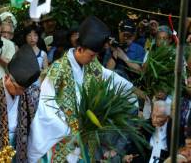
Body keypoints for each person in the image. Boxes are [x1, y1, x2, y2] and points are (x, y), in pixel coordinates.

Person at [27, 16, 138, 162]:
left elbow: (109, 77)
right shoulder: (58, 70)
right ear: (79, 49)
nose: (94, 59)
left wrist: (132, 91)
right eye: (91, 55)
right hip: (62, 136)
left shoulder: (91, 64)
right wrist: (67, 128)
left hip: (86, 137)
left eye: (96, 56)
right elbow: (46, 106)